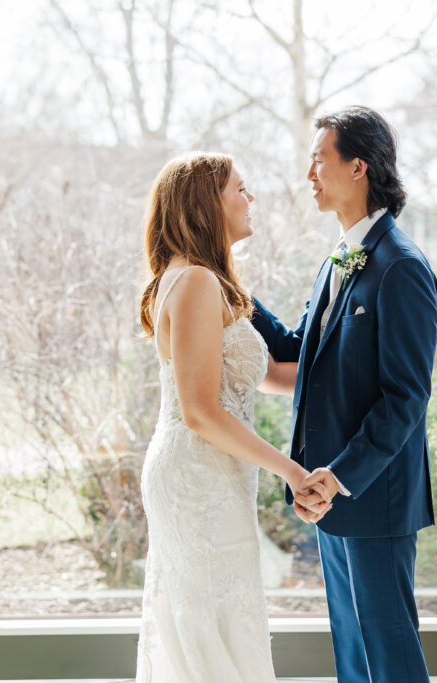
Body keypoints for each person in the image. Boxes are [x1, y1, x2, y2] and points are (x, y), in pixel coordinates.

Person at [251, 106, 437, 683]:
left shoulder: (401, 267)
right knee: (355, 664)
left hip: (370, 498)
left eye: (318, 160)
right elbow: (295, 353)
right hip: (329, 501)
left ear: (357, 167)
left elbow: (405, 398)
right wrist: (230, 288)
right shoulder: (339, 260)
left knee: (391, 662)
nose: (309, 174)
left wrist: (338, 475)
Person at [134, 151, 330, 682]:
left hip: (208, 471)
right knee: (210, 628)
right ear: (206, 204)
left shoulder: (200, 279)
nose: (250, 200)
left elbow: (259, 374)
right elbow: (200, 411)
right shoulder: (195, 281)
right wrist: (293, 471)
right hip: (198, 476)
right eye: (240, 189)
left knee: (218, 622)